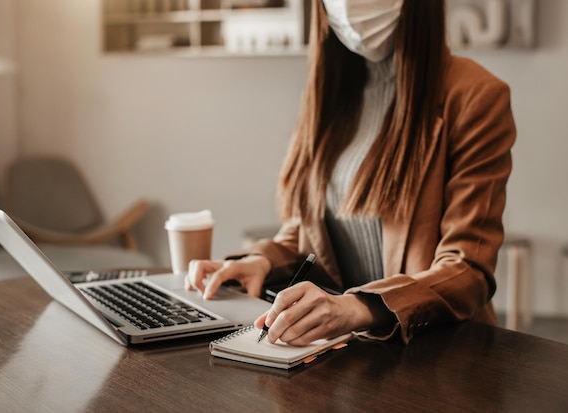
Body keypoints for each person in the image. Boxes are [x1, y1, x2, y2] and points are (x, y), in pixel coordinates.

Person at [186, 0, 516, 345]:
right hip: (349, 353)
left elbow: (467, 269)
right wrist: (261, 261)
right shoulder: (331, 93)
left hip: (436, 352)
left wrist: (357, 308)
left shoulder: (476, 97)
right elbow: (311, 231)